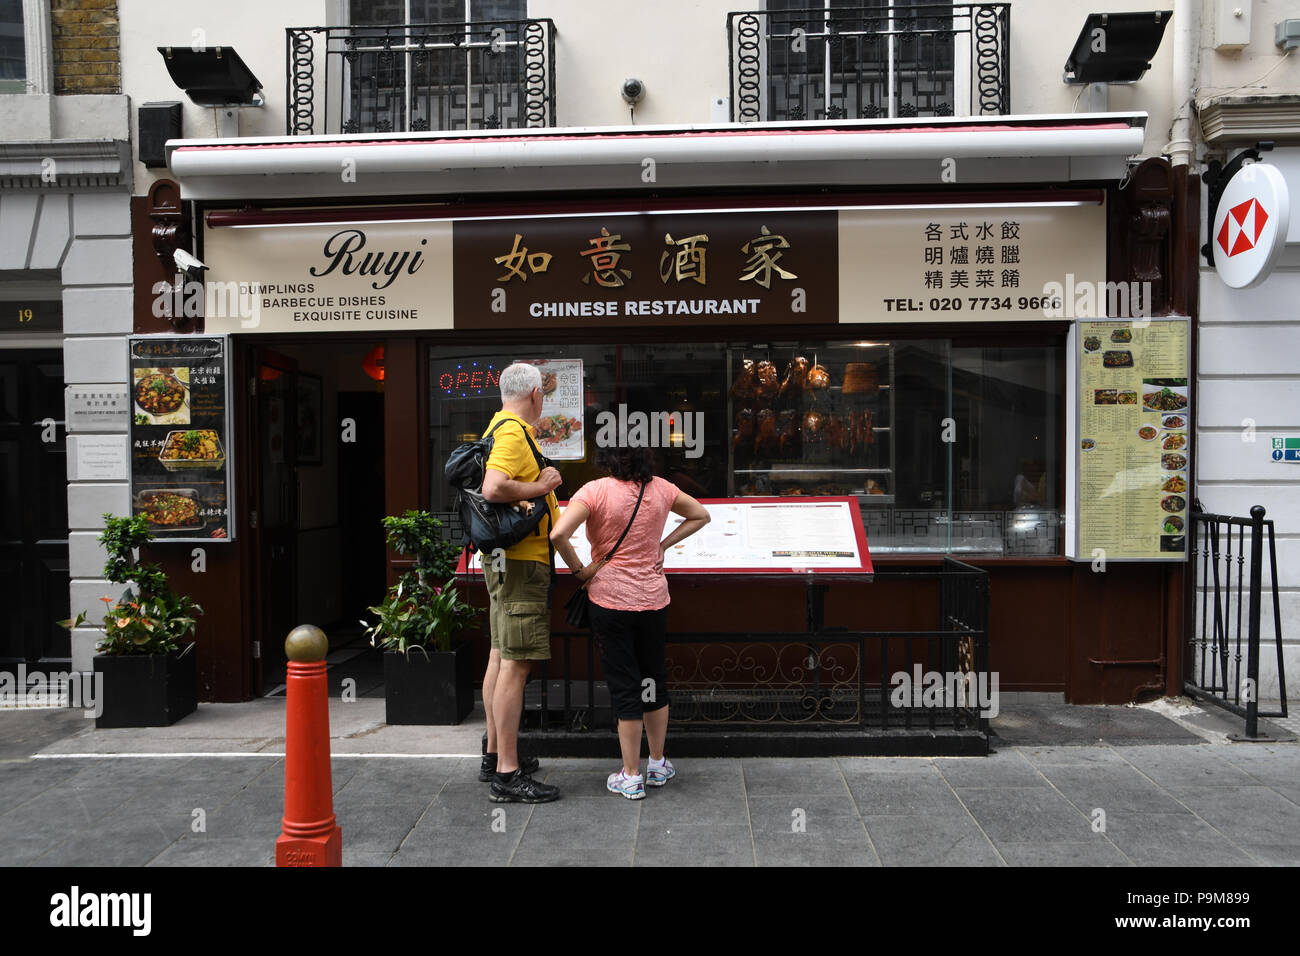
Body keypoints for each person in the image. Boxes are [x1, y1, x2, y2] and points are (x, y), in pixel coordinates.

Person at [550, 444, 710, 800]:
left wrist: (581, 571)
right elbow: (700, 515)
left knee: (625, 684)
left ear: (607, 462)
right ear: (645, 461)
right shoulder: (663, 488)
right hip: (653, 600)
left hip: (609, 600)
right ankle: (656, 763)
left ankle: (631, 775)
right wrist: (662, 546)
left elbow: (558, 534)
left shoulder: (594, 491)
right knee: (652, 678)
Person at [479, 363, 562, 803]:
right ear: (534, 393)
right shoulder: (512, 431)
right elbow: (494, 489)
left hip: (505, 563)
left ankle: (495, 754)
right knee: (516, 664)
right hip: (520, 565)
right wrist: (542, 484)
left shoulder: (500, 424)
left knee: (499, 655)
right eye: (543, 394)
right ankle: (507, 775)